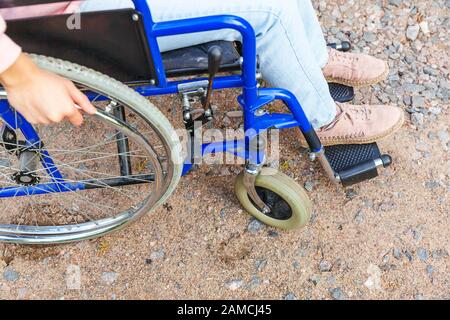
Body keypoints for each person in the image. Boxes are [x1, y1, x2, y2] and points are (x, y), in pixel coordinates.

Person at [0, 0, 404, 146]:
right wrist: (18, 73)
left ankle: (310, 60)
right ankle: (323, 119)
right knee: (269, 10)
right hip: (73, 20)